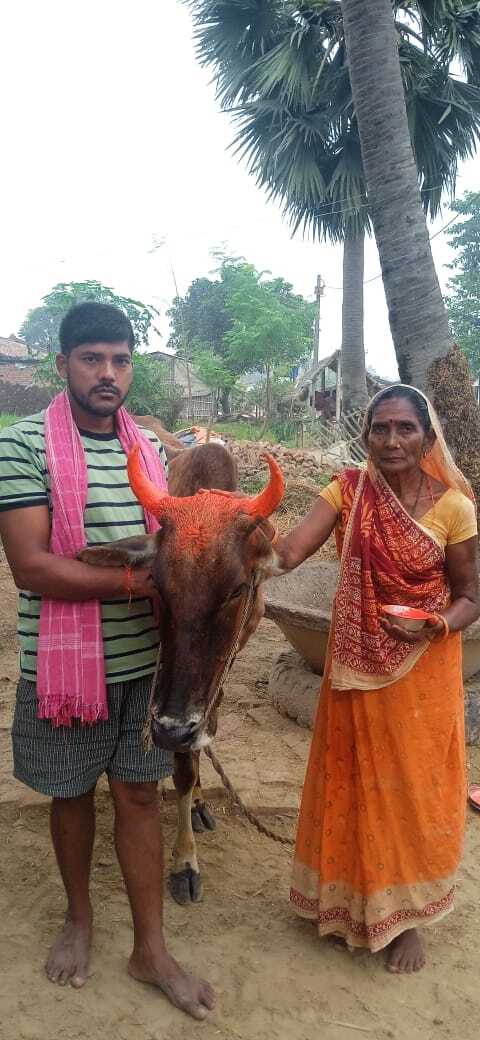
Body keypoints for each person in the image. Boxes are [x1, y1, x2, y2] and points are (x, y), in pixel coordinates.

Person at [0, 302, 215, 1020]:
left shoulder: (148, 450)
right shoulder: (22, 445)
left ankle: (150, 948)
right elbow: (32, 567)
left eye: (120, 360)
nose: (108, 373)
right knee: (70, 795)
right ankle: (79, 918)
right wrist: (144, 583)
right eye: (92, 358)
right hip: (66, 671)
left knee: (140, 797)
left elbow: (176, 545)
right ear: (62, 364)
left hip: (146, 665)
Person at [275, 385, 479, 974]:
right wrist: (230, 547)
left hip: (423, 670)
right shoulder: (347, 490)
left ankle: (407, 919)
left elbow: (471, 597)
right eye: (380, 428)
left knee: (411, 790)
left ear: (427, 437)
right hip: (354, 666)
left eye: (405, 428)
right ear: (366, 435)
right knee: (353, 782)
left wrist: (434, 625)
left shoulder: (453, 506)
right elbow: (289, 553)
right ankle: (345, 905)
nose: (391, 440)